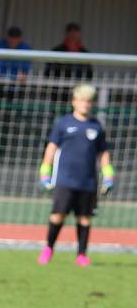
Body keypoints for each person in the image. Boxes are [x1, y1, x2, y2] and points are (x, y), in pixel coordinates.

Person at [37, 83, 113, 267]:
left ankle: (81, 255)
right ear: (74, 102)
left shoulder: (97, 126)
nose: (85, 104)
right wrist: (45, 172)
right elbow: (51, 148)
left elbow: (103, 153)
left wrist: (108, 174)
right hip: (64, 179)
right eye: (82, 100)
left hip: (87, 181)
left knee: (84, 218)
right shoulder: (63, 123)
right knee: (58, 215)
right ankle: (48, 249)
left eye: (89, 101)